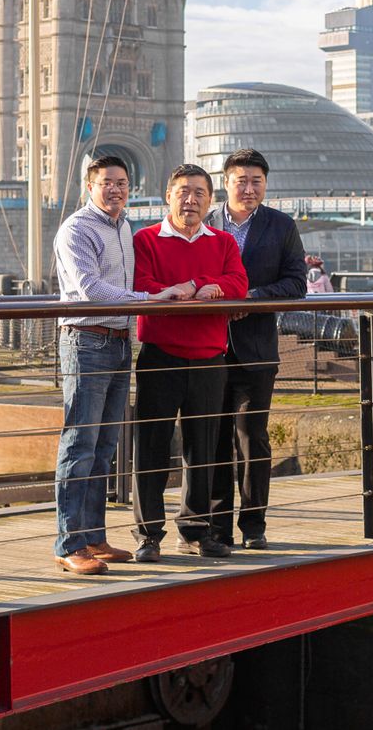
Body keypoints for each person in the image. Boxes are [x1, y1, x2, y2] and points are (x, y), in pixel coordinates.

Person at [130, 164, 248, 562]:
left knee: (204, 451)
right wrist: (194, 291)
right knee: (151, 448)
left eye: (199, 192)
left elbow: (238, 284)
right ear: (168, 196)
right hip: (160, 357)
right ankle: (148, 535)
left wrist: (193, 287)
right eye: (183, 191)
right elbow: (143, 288)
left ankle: (197, 531)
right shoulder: (145, 240)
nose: (190, 199)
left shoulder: (224, 243)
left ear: (210, 200)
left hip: (209, 359)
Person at [207, 149, 308, 551]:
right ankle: (216, 528)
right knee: (212, 438)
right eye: (241, 181)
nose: (249, 189)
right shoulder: (205, 223)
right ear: (225, 182)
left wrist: (252, 296)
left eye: (257, 182)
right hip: (209, 348)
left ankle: (253, 525)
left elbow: (296, 284)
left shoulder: (282, 226)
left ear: (265, 184)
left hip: (257, 348)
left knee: (252, 438)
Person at [49, 154, 138, 576]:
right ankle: (68, 544)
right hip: (86, 341)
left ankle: (95, 537)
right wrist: (151, 302)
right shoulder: (76, 229)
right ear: (90, 187)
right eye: (107, 182)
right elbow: (90, 290)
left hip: (120, 343)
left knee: (104, 448)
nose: (116, 189)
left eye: (122, 182)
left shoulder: (125, 227)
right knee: (79, 446)